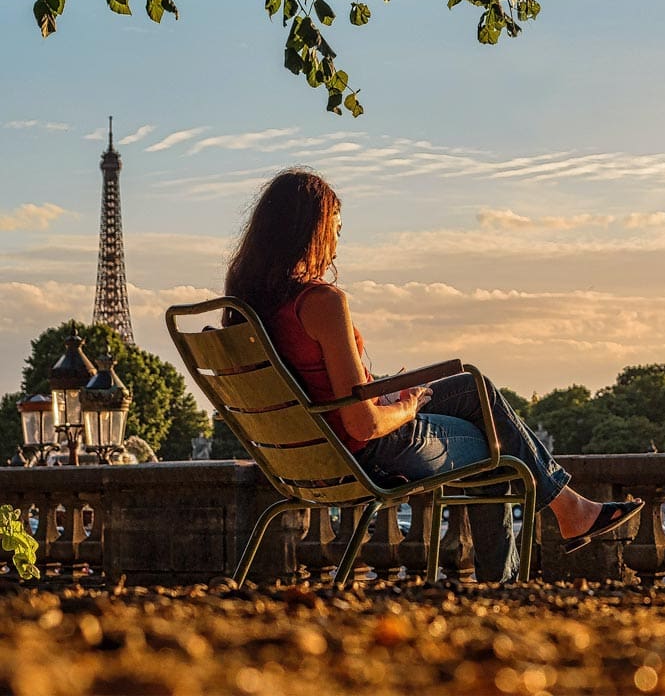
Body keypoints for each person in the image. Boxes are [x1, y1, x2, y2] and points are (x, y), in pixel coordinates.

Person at [223, 168, 642, 582]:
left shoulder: (252, 307)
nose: (337, 244)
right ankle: (527, 558)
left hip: (304, 453)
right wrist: (405, 407)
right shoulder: (321, 301)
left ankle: (569, 512)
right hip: (368, 451)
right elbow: (362, 424)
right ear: (311, 231)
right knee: (494, 447)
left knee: (471, 389)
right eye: (335, 229)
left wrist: (387, 392)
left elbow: (318, 390)